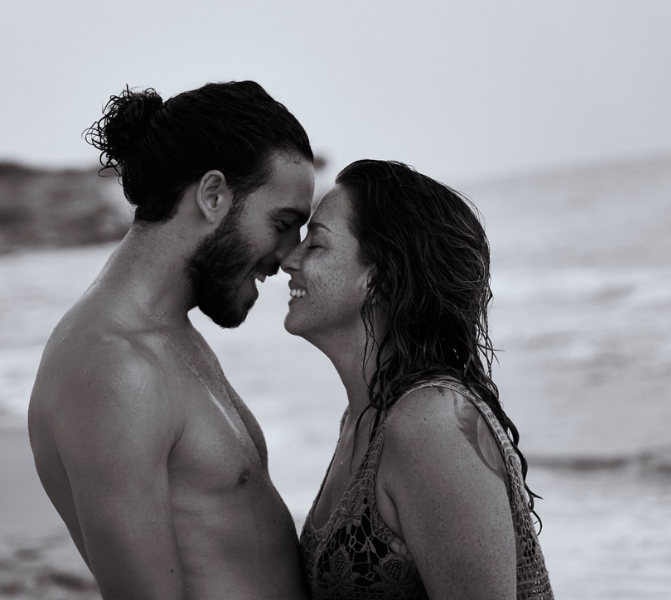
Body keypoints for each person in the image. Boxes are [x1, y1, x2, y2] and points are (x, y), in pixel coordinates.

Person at [28, 81, 315, 599]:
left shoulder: (169, 337)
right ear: (212, 195)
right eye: (283, 223)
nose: (290, 255)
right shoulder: (112, 366)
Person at [282, 160, 553, 599]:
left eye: (315, 245)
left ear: (379, 278)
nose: (288, 260)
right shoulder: (361, 415)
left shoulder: (430, 423)